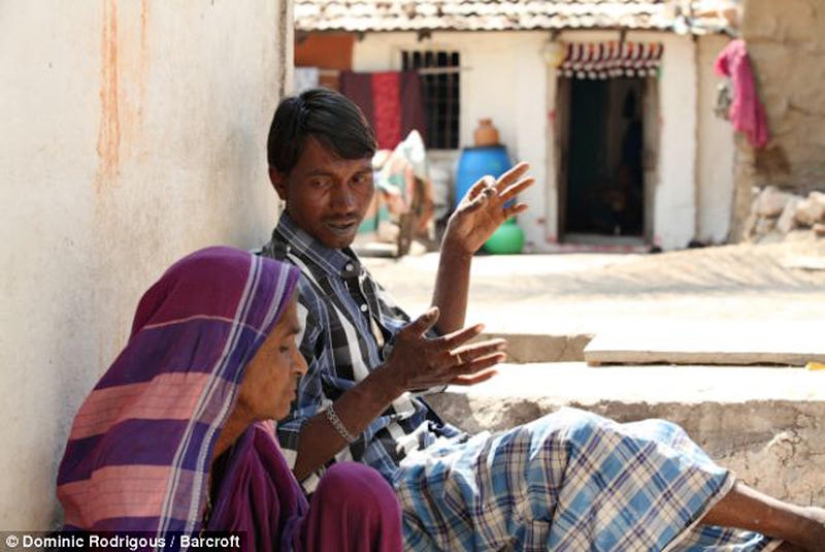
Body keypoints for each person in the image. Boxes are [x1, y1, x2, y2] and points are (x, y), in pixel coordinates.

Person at [261, 88, 825, 551]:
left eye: (359, 179)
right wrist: (389, 381)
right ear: (280, 182)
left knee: (659, 440)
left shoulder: (340, 266)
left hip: (437, 456)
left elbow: (424, 363)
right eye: (321, 182)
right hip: (388, 500)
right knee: (574, 443)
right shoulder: (276, 290)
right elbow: (287, 459)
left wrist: (458, 251)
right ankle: (802, 526)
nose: (347, 202)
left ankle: (760, 546)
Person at [55, 247, 403, 552]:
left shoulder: (249, 450)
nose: (299, 365)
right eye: (284, 347)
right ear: (223, 357)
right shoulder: (140, 487)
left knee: (357, 492)